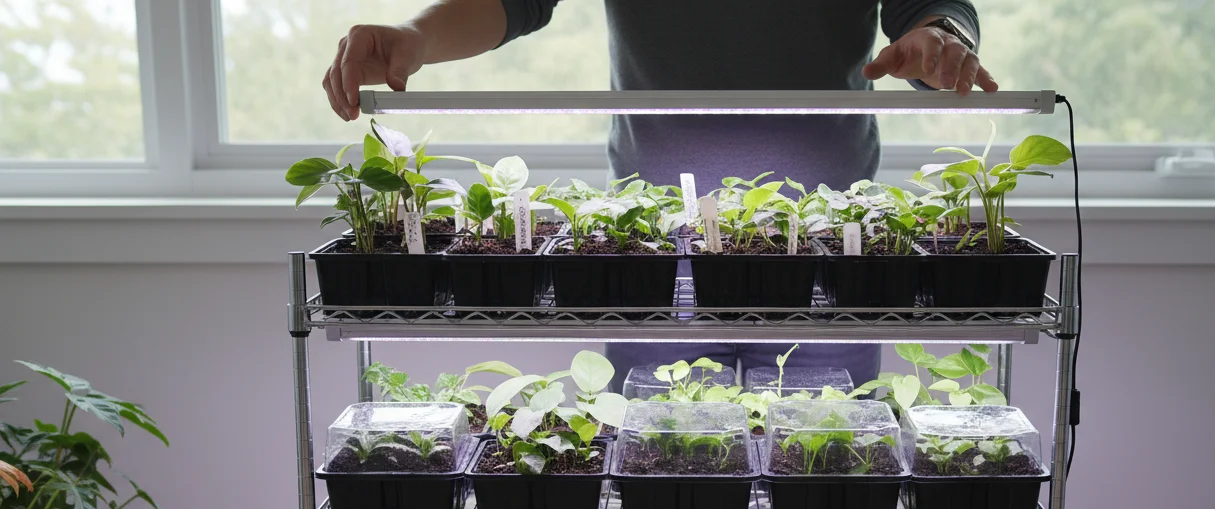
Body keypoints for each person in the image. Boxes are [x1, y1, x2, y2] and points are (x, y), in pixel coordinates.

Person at [323, 1, 994, 391]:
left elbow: (931, 9)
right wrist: (415, 38)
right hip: (656, 249)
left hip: (825, 257)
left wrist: (943, 41)